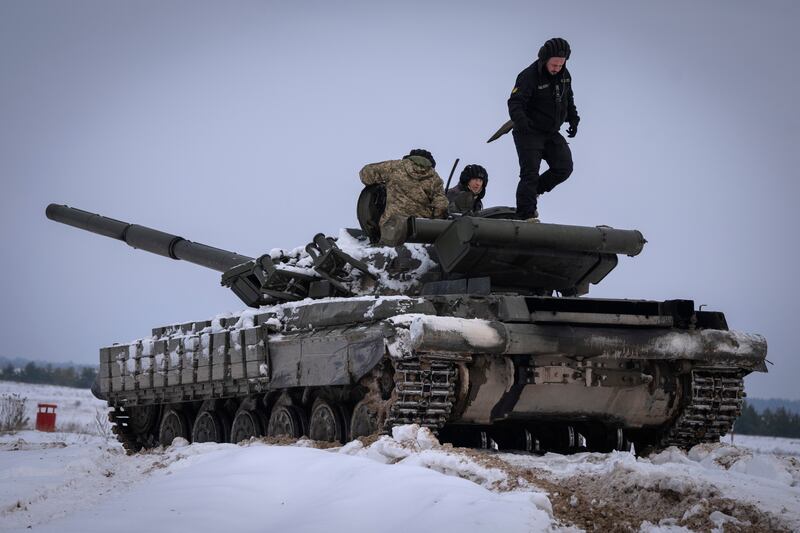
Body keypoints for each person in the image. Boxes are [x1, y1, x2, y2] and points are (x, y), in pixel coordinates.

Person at [508, 37, 579, 221]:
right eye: (554, 64)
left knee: (564, 167)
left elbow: (568, 98)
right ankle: (525, 215)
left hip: (550, 132)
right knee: (529, 174)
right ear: (544, 59)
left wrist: (573, 118)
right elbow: (515, 102)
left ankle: (533, 192)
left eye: (561, 64)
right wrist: (522, 122)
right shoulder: (528, 76)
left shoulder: (564, 75)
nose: (557, 68)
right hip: (529, 132)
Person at [359, 148, 449, 245]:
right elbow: (442, 206)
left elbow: (365, 174)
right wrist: (434, 220)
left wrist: (383, 185)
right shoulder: (434, 178)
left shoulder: (395, 166)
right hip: (421, 232)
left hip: (391, 229)